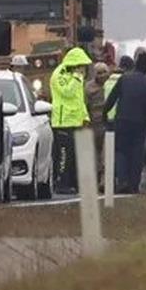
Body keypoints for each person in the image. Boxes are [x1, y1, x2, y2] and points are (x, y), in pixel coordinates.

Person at [103, 52, 146, 194]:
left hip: (122, 120)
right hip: (140, 123)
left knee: (121, 150)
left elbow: (111, 99)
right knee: (137, 153)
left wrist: (104, 115)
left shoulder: (124, 79)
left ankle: (122, 180)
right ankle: (134, 185)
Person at [49, 47, 93, 194]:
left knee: (74, 156)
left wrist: (85, 117)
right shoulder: (59, 74)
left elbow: (79, 100)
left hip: (76, 122)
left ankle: (73, 183)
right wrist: (76, 77)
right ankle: (61, 183)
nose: (83, 69)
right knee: (63, 155)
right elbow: (67, 92)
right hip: (63, 122)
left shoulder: (77, 77)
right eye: (81, 66)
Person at [85, 62, 111, 188]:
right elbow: (85, 105)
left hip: (107, 123)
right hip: (93, 124)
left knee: (106, 153)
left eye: (104, 72)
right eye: (99, 73)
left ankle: (104, 181)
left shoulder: (111, 85)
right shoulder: (88, 88)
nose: (101, 75)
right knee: (95, 154)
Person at [104, 56, 135, 129]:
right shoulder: (126, 82)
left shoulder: (107, 81)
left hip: (108, 119)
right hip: (121, 119)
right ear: (127, 68)